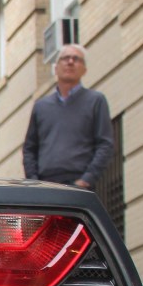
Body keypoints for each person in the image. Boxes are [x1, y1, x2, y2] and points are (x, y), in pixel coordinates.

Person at [22, 44, 114, 189]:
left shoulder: (96, 101)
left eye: (76, 59)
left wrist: (87, 179)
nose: (70, 62)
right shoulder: (41, 106)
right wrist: (34, 182)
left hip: (80, 184)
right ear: (56, 68)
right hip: (45, 185)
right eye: (65, 58)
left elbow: (105, 144)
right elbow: (29, 148)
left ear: (84, 70)